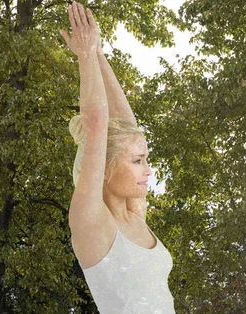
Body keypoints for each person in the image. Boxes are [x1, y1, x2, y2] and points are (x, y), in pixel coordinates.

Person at [61, 2, 175, 313]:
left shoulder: (135, 215)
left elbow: (128, 127)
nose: (148, 170)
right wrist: (85, 56)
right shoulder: (92, 221)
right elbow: (97, 126)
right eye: (137, 161)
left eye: (145, 160)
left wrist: (98, 52)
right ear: (105, 170)